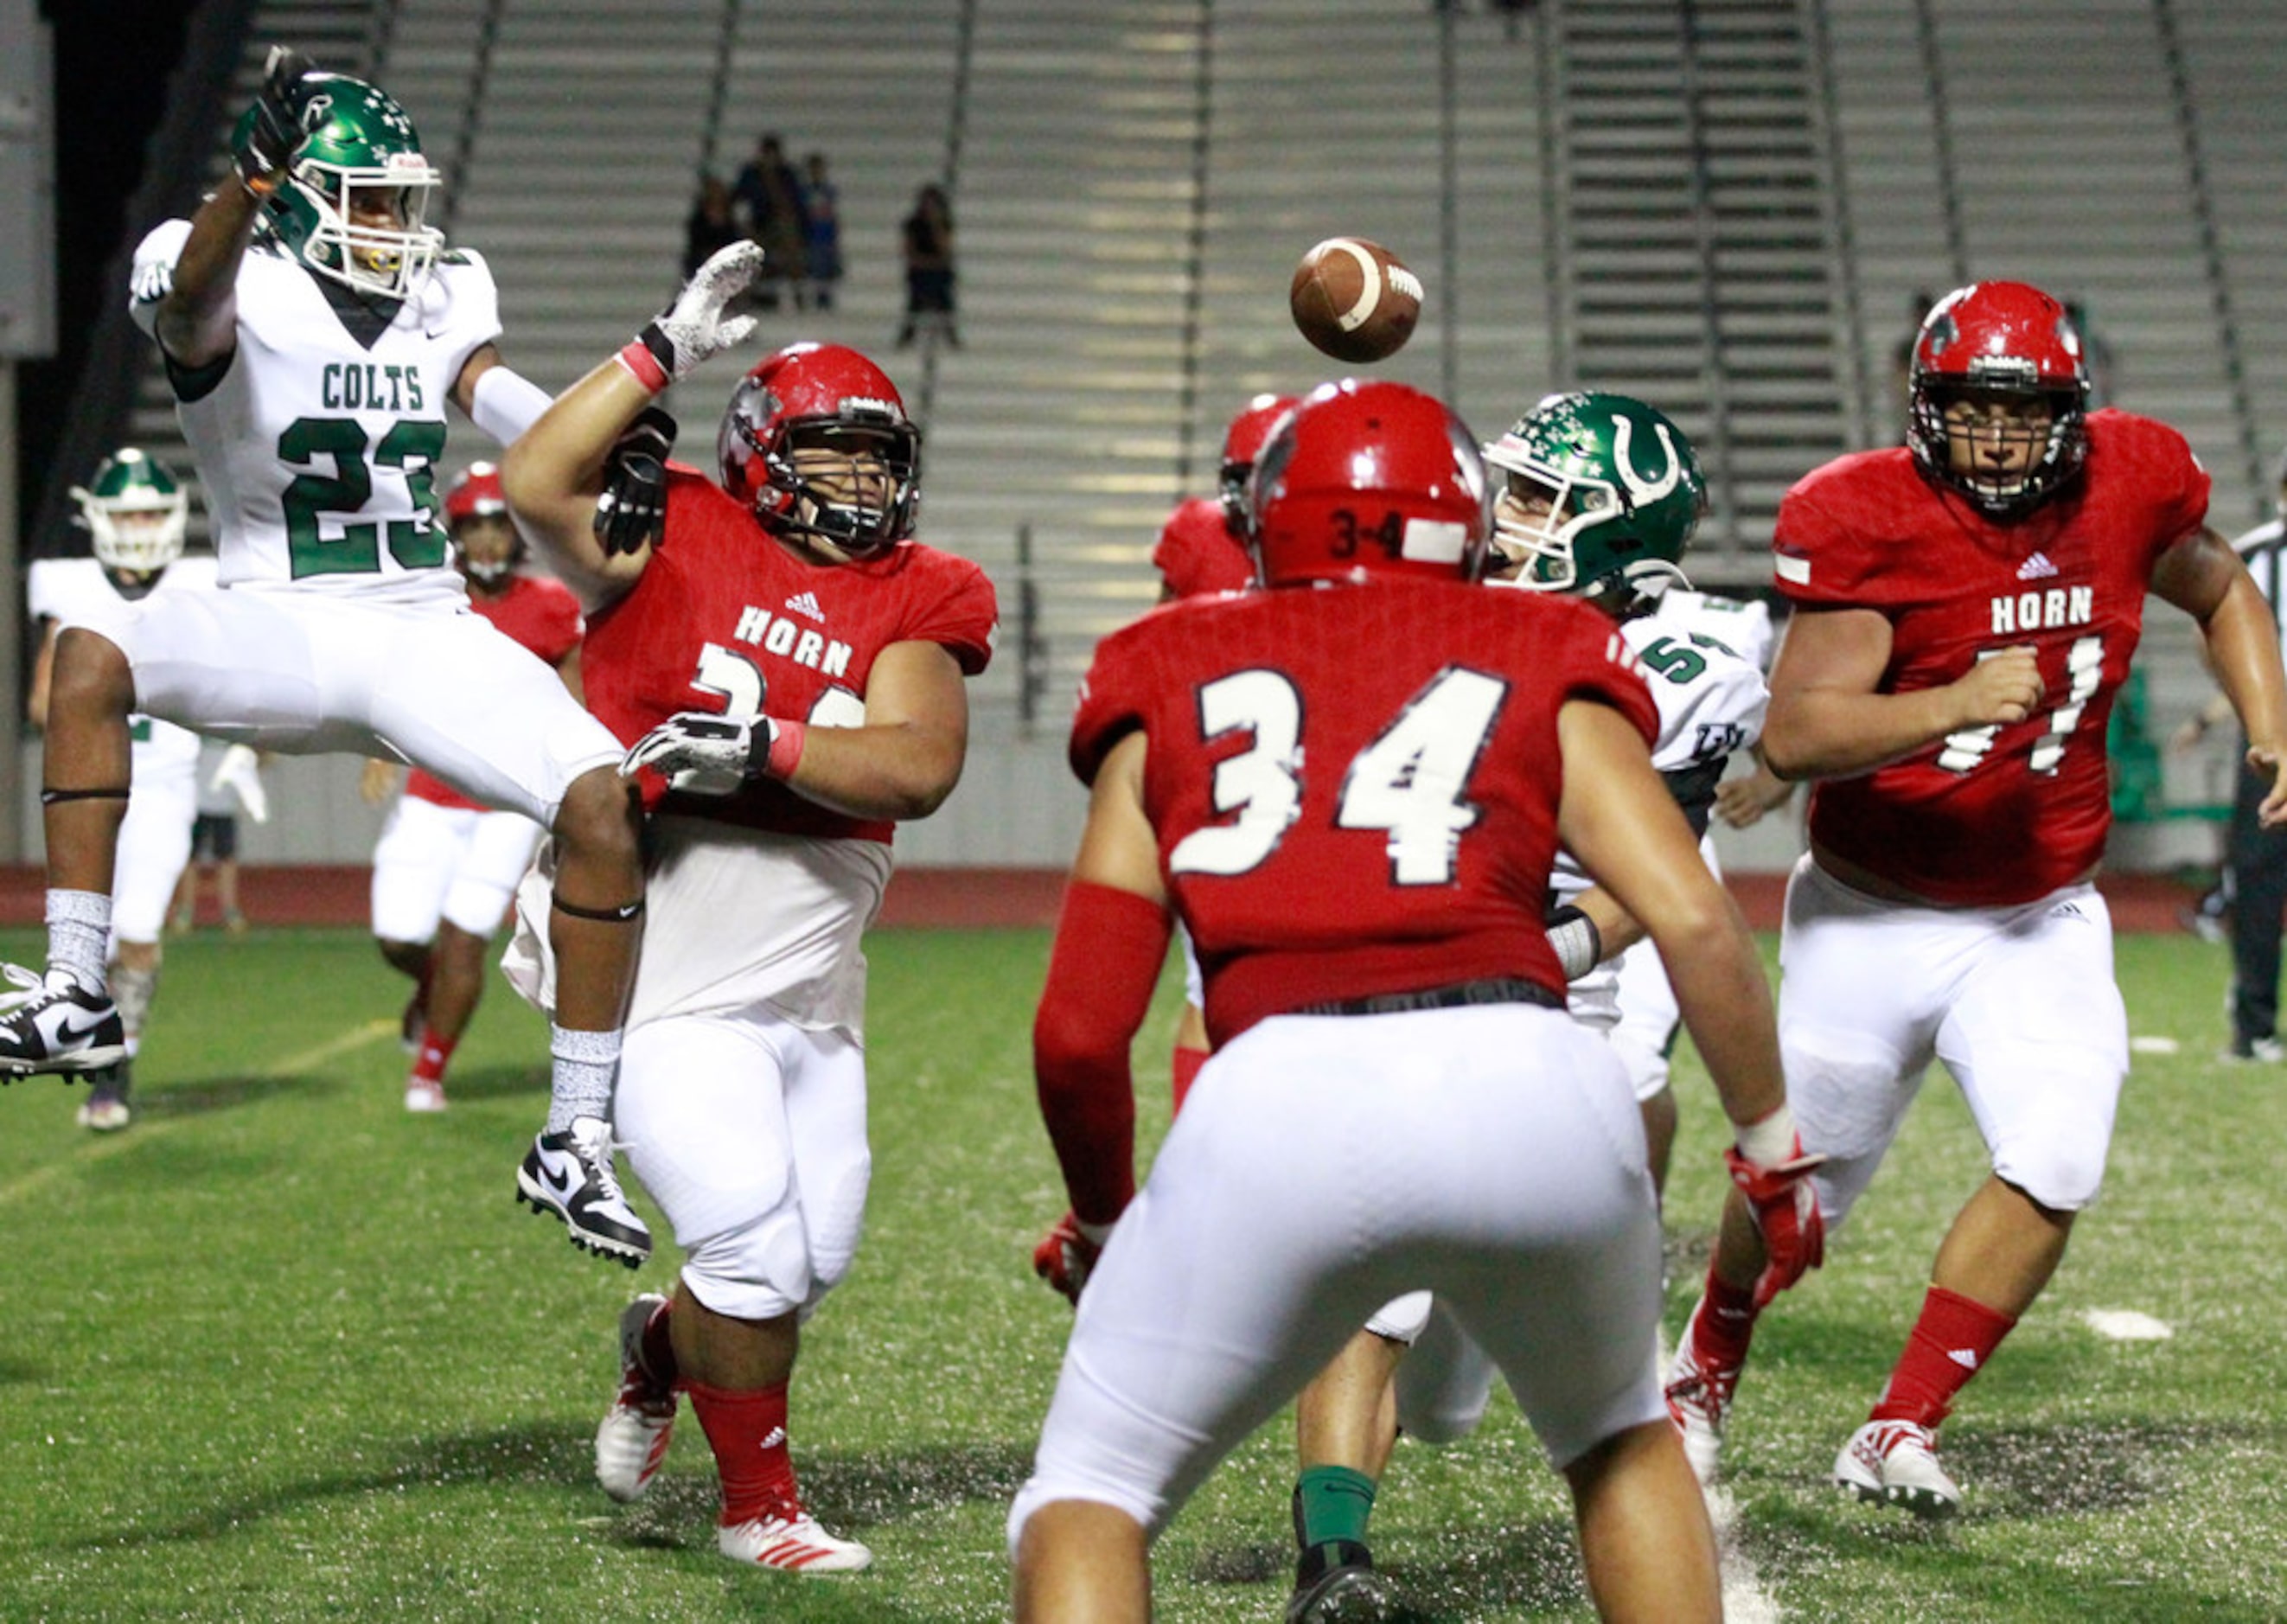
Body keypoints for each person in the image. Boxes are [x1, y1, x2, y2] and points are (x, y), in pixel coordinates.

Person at [1013, 379, 1820, 1623]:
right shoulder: (1547, 647)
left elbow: (1077, 1032)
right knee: (1617, 1438)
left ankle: (1326, 1539)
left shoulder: (1158, 660)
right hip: (1532, 1071)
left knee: (1090, 1490)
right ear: (1459, 515)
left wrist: (1102, 1221)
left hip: (1285, 1084)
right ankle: (1346, 1534)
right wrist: (1770, 1151)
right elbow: (1697, 915)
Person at [0, 48, 652, 1266]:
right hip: (278, 616)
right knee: (93, 650)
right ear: (292, 197)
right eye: (366, 199)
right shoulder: (223, 265)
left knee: (605, 802)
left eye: (403, 199)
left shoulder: (446, 287)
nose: (395, 224)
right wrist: (243, 182)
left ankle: (574, 1134)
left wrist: (634, 380)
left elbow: (495, 396)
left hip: (423, 625)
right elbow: (192, 302)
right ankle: (76, 984)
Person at [1664, 279, 2287, 1517]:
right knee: (1797, 1203)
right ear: (1922, 408)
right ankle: (1699, 1371)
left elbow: (2218, 583)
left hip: (2037, 909)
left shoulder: (2128, 479)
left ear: (2072, 413)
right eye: (1970, 410)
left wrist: (2274, 726)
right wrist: (1951, 700)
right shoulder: (1866, 512)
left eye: (2024, 413)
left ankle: (1897, 1422)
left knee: (2056, 1153)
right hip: (1871, 910)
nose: (1997, 439)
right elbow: (1797, 727)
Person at [498, 242, 998, 1574]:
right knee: (750, 1243)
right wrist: (657, 348)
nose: (862, 486)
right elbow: (533, 479)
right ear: (765, 453)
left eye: (878, 462)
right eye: (833, 457)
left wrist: (763, 745)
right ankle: (756, 1510)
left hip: (807, 980)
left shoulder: (921, 590)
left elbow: (920, 763)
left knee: (804, 1256)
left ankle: (659, 1348)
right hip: (659, 964)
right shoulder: (681, 523)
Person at [1271, 392, 1772, 1619]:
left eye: (1545, 500)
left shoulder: (1693, 650)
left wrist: (1562, 933)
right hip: (1418, 972)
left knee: (1480, 1386)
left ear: (1622, 526)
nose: (1509, 520)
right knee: (1368, 1281)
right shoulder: (1447, 600)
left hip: (1573, 996)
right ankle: (1331, 1564)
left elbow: (1649, 876)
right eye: (1515, 492)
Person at [362, 464, 585, 1112]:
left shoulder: (552, 606)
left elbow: (575, 700)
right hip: (432, 792)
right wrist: (377, 745)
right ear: (455, 532)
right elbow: (387, 675)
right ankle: (429, 987)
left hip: (508, 802)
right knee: (398, 936)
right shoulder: (431, 600)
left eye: (498, 526)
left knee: (466, 935)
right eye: (475, 528)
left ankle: (428, 1070)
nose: (487, 542)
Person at [25, 450, 218, 1130]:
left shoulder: (200, 584)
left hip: (165, 785)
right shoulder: (72, 591)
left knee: (137, 932)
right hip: (89, 787)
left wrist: (251, 746)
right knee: (92, 941)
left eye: (149, 512)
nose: (139, 525)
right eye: (127, 512)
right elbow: (44, 704)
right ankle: (109, 1064)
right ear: (100, 519)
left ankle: (114, 1072)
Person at [1137, 392, 1294, 1112]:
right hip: (1230, 780)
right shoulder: (1200, 534)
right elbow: (1161, 642)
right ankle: (1201, 1158)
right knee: (1212, 980)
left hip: (1325, 779)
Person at [2208, 449, 2287, 1060]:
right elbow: (2210, 624)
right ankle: (2253, 1024)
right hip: (2274, 732)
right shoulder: (2258, 553)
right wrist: (2251, 710)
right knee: (2260, 873)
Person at [172, 738, 265, 934]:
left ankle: (230, 912)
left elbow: (260, 757)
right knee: (190, 858)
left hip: (225, 806)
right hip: (197, 802)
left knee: (226, 858)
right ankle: (185, 911)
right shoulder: (194, 734)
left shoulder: (238, 737)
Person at [731, 132, 806, 312]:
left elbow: (792, 206)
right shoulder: (750, 173)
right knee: (745, 251)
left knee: (790, 239)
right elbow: (737, 200)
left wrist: (772, 181)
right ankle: (743, 300)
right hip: (756, 225)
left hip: (779, 225)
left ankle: (799, 295)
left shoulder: (787, 174)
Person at [896, 183, 957, 349]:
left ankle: (951, 335)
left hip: (938, 270)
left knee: (945, 301)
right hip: (920, 270)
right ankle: (908, 335)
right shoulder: (913, 224)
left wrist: (935, 225)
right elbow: (910, 252)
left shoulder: (943, 223)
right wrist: (927, 262)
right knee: (914, 302)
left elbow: (945, 251)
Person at [797, 152, 843, 313]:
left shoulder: (829, 191)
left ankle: (825, 299)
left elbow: (831, 214)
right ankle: (815, 298)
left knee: (827, 265)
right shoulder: (803, 191)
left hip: (825, 233)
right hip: (811, 234)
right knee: (814, 264)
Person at [681, 173, 742, 284]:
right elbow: (697, 242)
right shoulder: (698, 220)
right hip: (703, 260)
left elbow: (733, 240)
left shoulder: (730, 220)